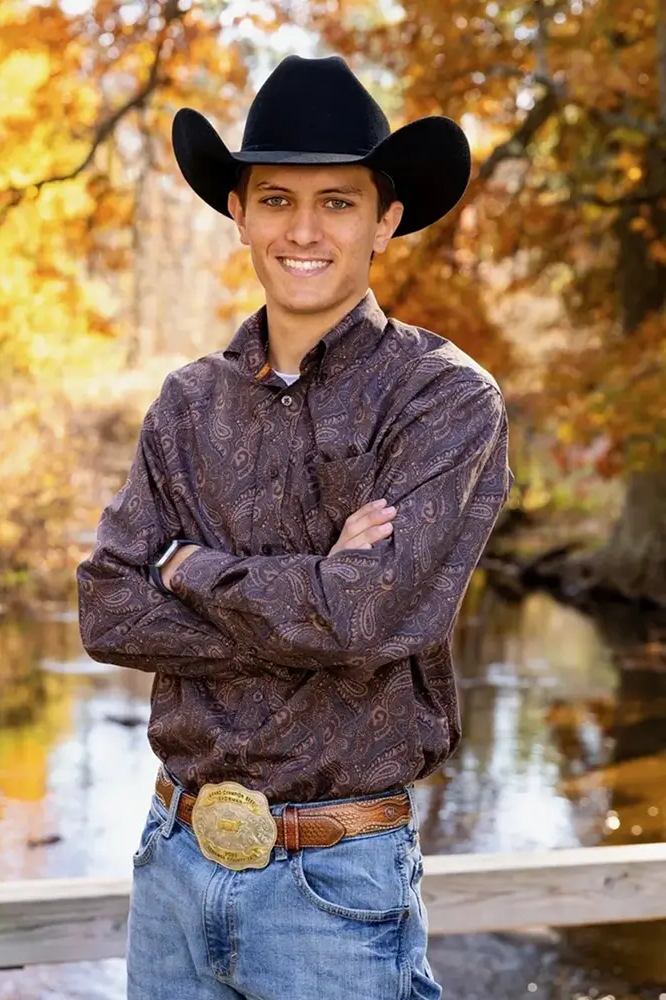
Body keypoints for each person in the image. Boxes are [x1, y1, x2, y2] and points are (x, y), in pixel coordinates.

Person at [77, 54, 514, 1000]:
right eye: (275, 199)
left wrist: (187, 567)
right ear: (238, 215)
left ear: (386, 218)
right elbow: (107, 609)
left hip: (337, 885)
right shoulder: (188, 404)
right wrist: (316, 584)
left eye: (339, 201)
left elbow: (369, 621)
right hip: (174, 865)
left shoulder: (442, 401)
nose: (304, 230)